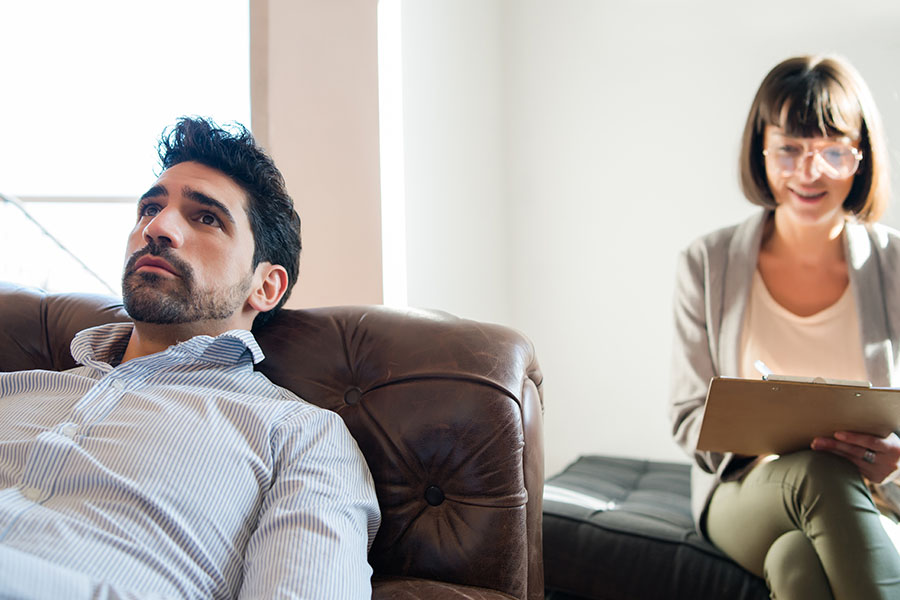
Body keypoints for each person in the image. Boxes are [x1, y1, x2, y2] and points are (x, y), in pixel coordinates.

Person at [0, 117, 381, 599]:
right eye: (149, 209)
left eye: (206, 218)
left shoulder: (299, 436)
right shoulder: (14, 390)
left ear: (265, 285)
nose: (156, 228)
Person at [670, 55, 900, 599]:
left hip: (874, 495)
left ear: (861, 157)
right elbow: (686, 417)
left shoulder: (894, 267)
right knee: (818, 473)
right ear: (761, 151)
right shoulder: (707, 262)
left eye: (832, 151)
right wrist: (767, 434)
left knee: (795, 561)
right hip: (746, 490)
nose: (809, 172)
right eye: (789, 150)